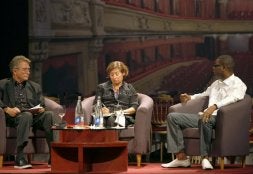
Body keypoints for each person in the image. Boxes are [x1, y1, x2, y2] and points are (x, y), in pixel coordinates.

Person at [161, 55, 247, 170]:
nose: (212, 68)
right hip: (206, 116)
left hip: (223, 120)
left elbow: (234, 98)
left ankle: (205, 158)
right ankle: (181, 158)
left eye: (215, 66)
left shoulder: (238, 84)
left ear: (224, 67)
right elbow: (204, 95)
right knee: (172, 117)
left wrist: (214, 106)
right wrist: (190, 97)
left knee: (204, 119)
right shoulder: (216, 83)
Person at [0, 55, 54, 169]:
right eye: (25, 69)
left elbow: (42, 104)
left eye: (29, 69)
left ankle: (53, 156)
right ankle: (19, 157)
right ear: (15, 71)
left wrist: (41, 109)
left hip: (33, 116)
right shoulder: (3, 84)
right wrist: (6, 109)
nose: (28, 72)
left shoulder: (35, 86)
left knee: (49, 115)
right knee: (26, 115)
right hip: (13, 118)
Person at [93, 60, 139, 127]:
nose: (114, 77)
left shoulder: (129, 88)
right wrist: (101, 109)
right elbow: (95, 104)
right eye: (112, 75)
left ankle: (112, 137)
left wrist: (119, 112)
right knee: (100, 120)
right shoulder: (102, 87)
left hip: (123, 116)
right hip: (105, 115)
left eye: (117, 74)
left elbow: (134, 107)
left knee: (111, 120)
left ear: (123, 73)